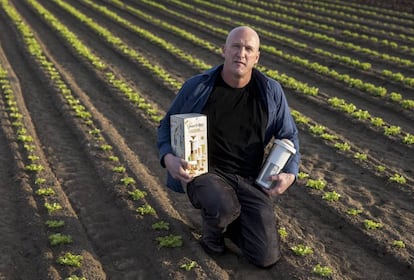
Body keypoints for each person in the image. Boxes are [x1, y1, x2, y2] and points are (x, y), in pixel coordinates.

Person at [157, 26, 300, 268]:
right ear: (224, 50)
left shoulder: (270, 91)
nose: (241, 53)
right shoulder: (198, 87)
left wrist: (291, 174)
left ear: (256, 57)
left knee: (265, 257)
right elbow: (165, 126)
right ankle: (213, 235)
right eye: (236, 46)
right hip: (205, 173)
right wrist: (168, 157)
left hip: (249, 179)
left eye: (248, 49)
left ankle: (229, 218)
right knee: (222, 205)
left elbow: (289, 134)